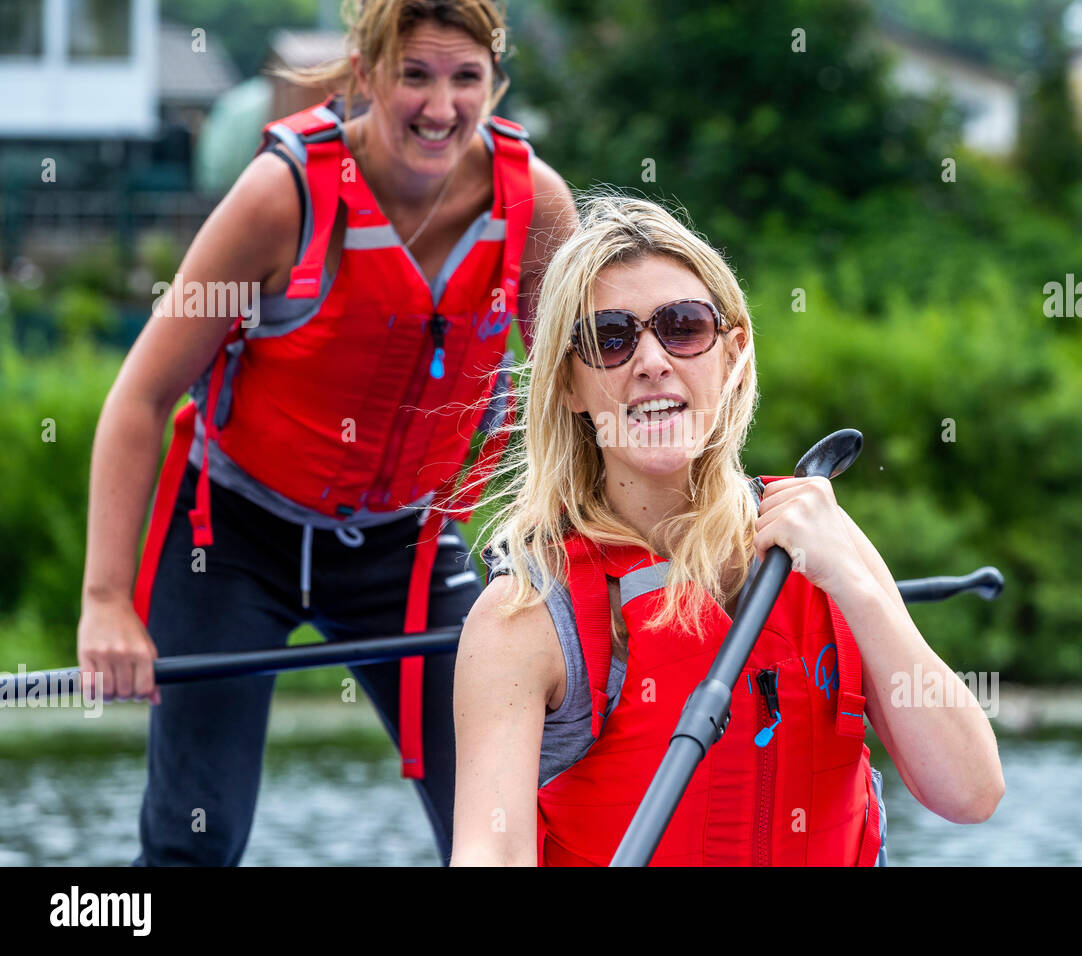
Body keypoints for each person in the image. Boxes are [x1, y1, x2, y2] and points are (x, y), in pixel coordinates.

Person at [76, 0, 577, 866]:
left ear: (495, 82)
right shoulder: (283, 199)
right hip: (231, 537)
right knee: (197, 838)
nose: (441, 105)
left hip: (407, 548)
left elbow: (583, 396)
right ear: (365, 74)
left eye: (467, 78)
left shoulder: (532, 205)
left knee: (505, 824)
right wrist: (105, 602)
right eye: (415, 75)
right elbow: (143, 394)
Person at [448, 195, 1005, 866]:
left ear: (732, 352)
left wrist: (856, 586)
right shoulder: (525, 618)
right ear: (569, 382)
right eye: (611, 338)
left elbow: (971, 793)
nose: (652, 360)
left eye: (682, 327)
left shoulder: (825, 537)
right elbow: (489, 853)